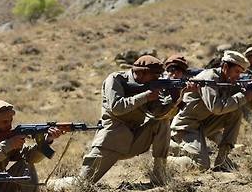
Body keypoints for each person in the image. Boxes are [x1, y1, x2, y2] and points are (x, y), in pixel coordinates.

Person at [79, 55, 185, 185]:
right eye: (154, 76)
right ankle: (53, 185)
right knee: (82, 183)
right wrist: (145, 96)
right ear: (141, 73)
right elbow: (116, 107)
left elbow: (159, 114)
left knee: (162, 123)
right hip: (112, 140)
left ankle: (159, 175)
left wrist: (176, 98)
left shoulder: (149, 86)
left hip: (135, 139)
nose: (157, 79)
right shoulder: (116, 79)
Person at [170, 51, 252, 171]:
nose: (238, 76)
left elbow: (235, 101)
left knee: (235, 111)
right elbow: (216, 108)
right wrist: (244, 96)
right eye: (237, 72)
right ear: (226, 67)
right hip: (187, 127)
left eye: (240, 73)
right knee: (201, 166)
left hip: (203, 125)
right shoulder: (209, 78)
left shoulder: (226, 79)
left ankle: (222, 159)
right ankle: (167, 159)